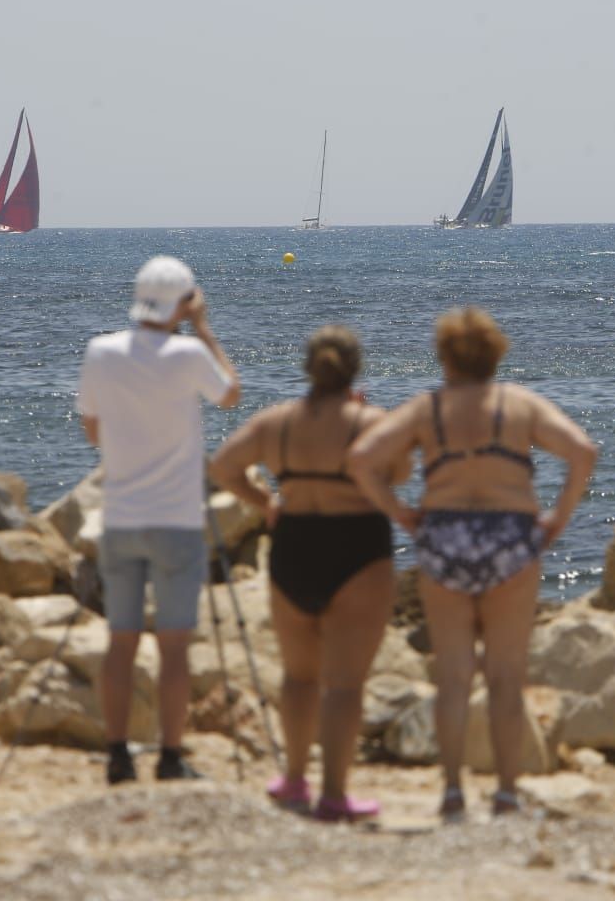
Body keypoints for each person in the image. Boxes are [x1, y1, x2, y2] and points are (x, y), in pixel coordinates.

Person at [347, 306, 597, 818]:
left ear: (444, 356)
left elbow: (362, 459)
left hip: (444, 537)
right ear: (496, 352)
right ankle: (506, 793)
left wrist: (403, 514)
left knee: (454, 677)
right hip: (511, 538)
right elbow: (582, 452)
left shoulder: (426, 409)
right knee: (506, 677)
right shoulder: (519, 404)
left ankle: (453, 793)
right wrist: (557, 520)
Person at [209, 325, 405, 822]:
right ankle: (335, 795)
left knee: (299, 677)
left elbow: (223, 467)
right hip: (358, 544)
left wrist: (266, 503)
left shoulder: (278, 422)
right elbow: (399, 472)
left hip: (294, 542)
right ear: (354, 371)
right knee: (344, 683)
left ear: (308, 369)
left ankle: (295, 780)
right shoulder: (371, 422)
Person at [77, 255, 240, 785]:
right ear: (183, 301)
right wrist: (204, 326)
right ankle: (170, 756)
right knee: (174, 647)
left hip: (122, 518)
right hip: (177, 522)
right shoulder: (190, 352)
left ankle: (118, 755)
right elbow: (231, 395)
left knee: (120, 643)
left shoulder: (100, 353)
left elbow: (93, 432)